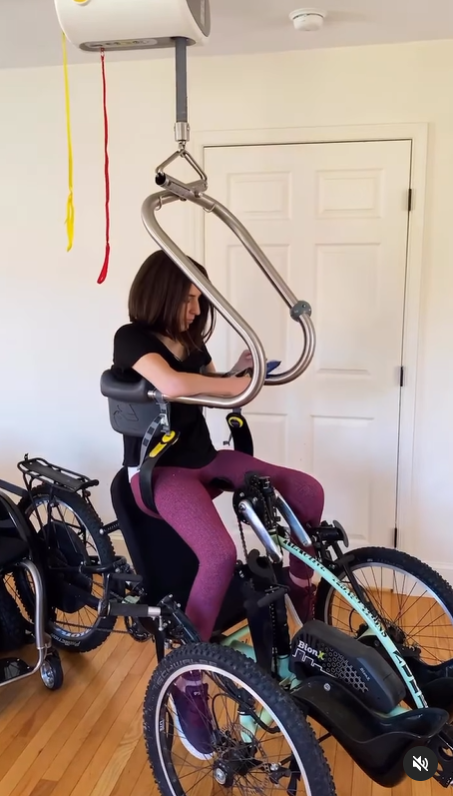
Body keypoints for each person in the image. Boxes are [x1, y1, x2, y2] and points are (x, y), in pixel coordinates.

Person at [112, 249, 324, 758]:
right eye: (187, 298)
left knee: (307, 491)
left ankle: (299, 588)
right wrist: (230, 381)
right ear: (161, 293)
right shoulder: (132, 339)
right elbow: (174, 385)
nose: (194, 310)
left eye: (198, 300)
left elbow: (214, 396)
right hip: (160, 472)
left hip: (204, 459)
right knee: (219, 554)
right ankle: (188, 680)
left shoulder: (188, 340)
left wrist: (241, 373)